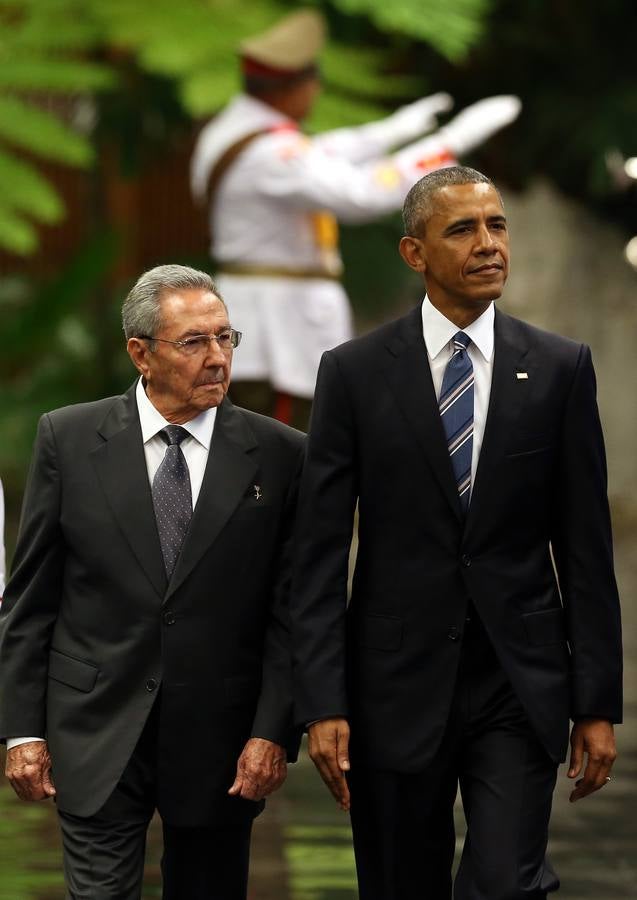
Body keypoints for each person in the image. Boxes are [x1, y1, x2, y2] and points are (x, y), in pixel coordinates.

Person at [290, 166, 623, 899]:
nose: (487, 245)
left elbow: (584, 548)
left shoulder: (561, 367)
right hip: (391, 683)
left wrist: (595, 703)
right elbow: (314, 555)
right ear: (415, 254)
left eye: (496, 226)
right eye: (462, 229)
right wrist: (322, 702)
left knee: (504, 881)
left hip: (519, 678)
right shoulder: (353, 374)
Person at [0, 264, 304, 900]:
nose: (218, 358)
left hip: (223, 742)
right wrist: (22, 729)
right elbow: (31, 598)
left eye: (226, 338)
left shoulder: (280, 453)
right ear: (140, 353)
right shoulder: (69, 437)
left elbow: (293, 610)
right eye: (195, 342)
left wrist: (273, 729)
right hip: (95, 726)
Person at [191, 9, 521, 428]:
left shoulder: (234, 131)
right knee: (284, 451)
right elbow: (362, 193)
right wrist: (446, 145)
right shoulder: (271, 154)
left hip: (268, 313)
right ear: (290, 88)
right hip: (280, 328)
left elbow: (324, 151)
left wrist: (395, 130)